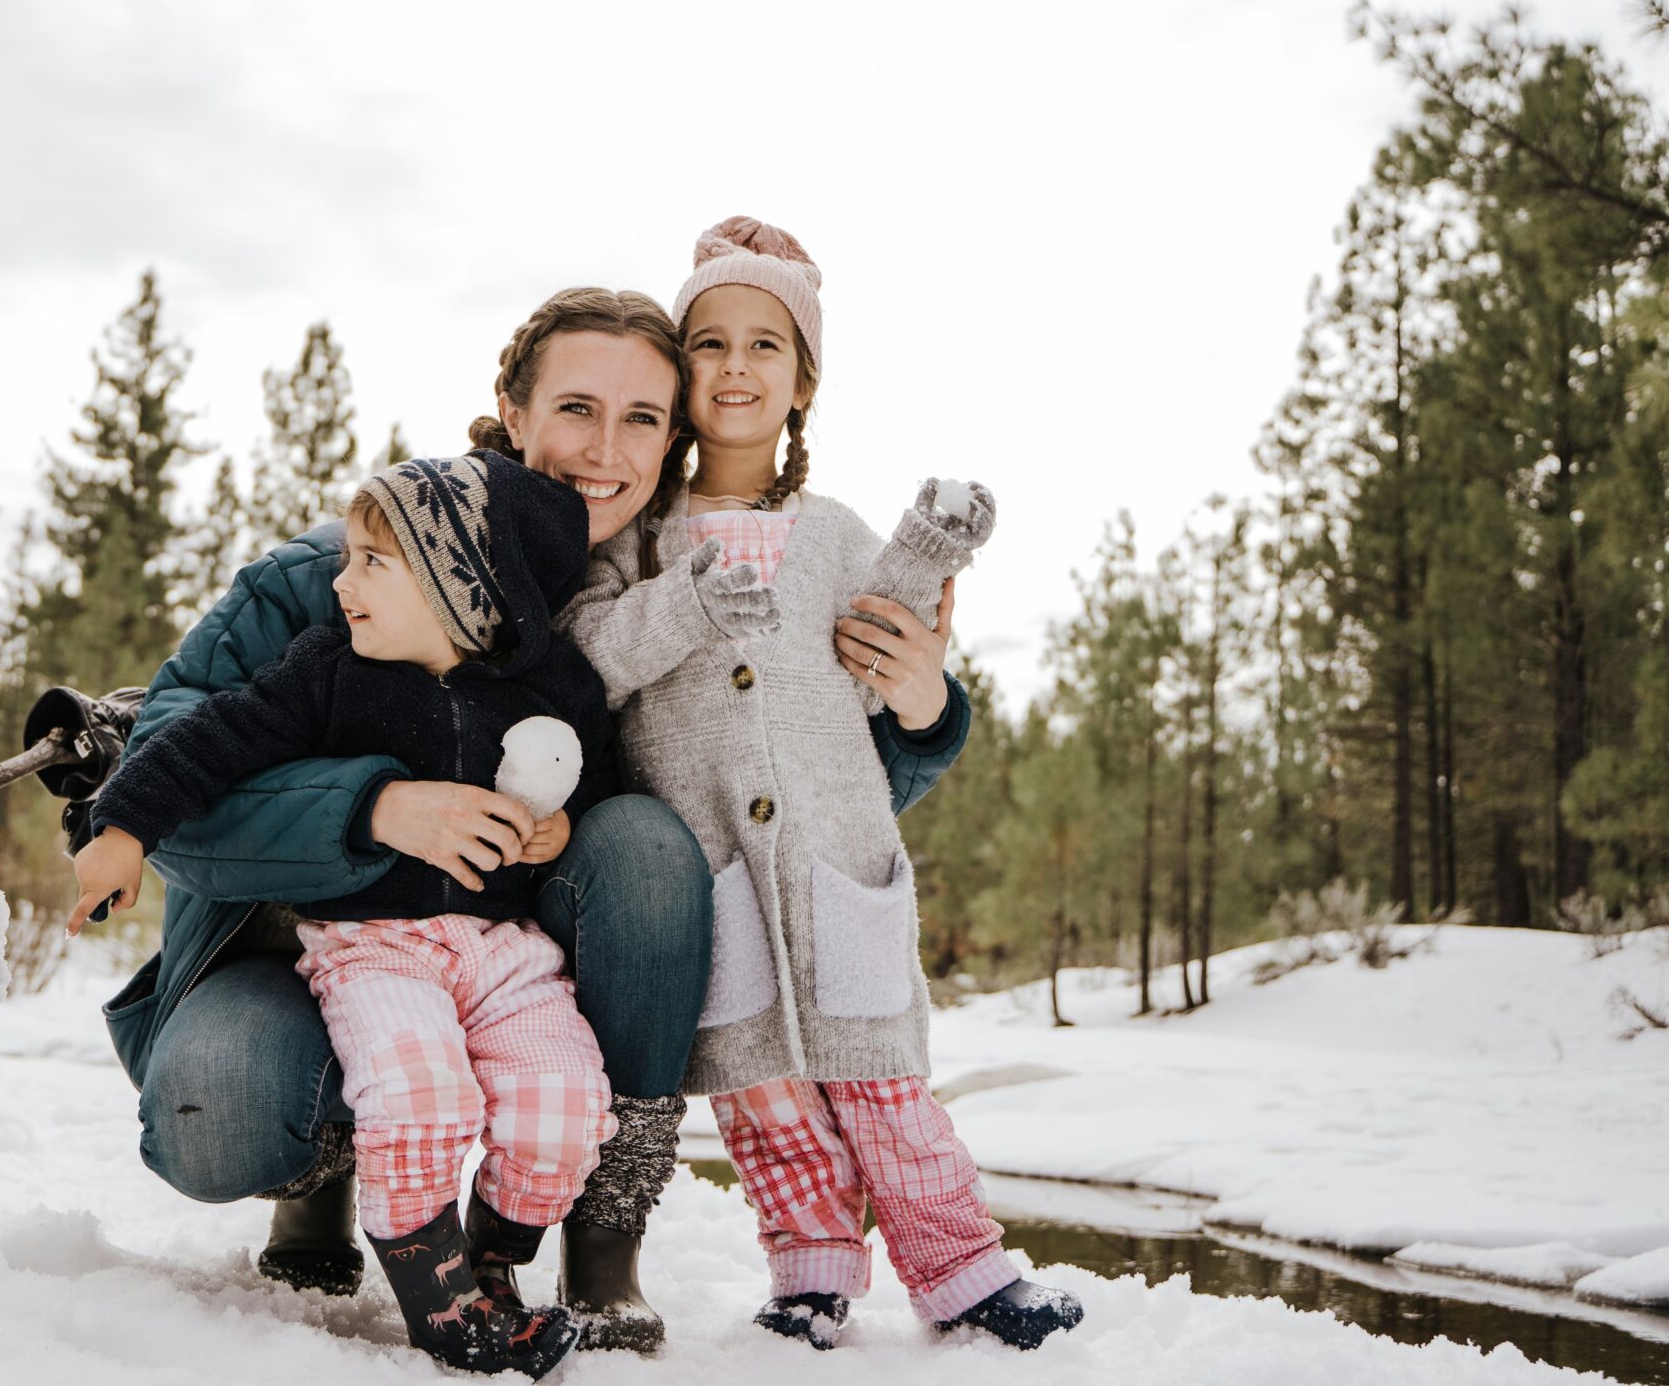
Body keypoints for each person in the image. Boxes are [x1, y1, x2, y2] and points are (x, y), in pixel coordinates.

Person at [93, 285, 975, 1355]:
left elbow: (792, 805)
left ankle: (600, 1243)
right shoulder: (343, 574)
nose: (606, 448)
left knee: (650, 847)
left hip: (516, 957)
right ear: (510, 411)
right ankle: (320, 1172)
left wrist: (922, 715)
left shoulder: (673, 590)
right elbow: (164, 774)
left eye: (643, 418)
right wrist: (376, 807)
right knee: (220, 1104)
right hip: (304, 951)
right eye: (575, 408)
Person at [562, 216, 1084, 1352]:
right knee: (761, 1090)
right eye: (710, 343)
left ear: (804, 380)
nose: (737, 367)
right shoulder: (636, 540)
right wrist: (690, 598)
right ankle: (808, 1268)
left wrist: (931, 560)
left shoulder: (836, 534)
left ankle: (961, 1269)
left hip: (837, 853)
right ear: (677, 367)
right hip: (711, 865)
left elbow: (893, 647)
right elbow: (592, 658)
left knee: (880, 1075)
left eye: (766, 344)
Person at [72, 453, 612, 1376]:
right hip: (376, 948)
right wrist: (122, 826)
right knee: (419, 1095)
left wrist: (557, 831)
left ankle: (491, 1255)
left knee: (565, 1101)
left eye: (372, 561)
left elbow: (598, 773)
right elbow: (212, 737)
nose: (341, 579)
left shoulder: (546, 690)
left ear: (461, 587)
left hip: (501, 949)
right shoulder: (328, 671)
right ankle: (439, 1299)